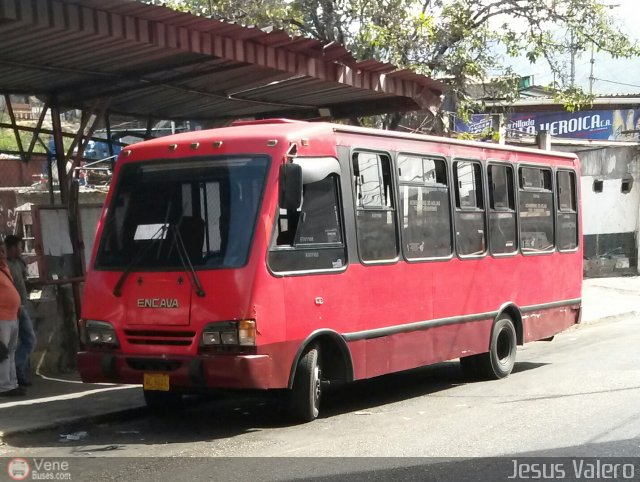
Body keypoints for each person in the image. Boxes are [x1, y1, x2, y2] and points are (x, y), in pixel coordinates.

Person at [5, 235, 37, 387]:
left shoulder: (19, 262)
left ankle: (17, 371)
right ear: (10, 248)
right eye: (18, 247)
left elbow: (23, 282)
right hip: (12, 310)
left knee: (28, 341)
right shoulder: (6, 266)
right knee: (22, 342)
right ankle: (15, 373)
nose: (20, 250)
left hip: (22, 305)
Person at [0, 239, 24, 396]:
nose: (3, 254)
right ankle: (4, 386)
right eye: (1, 251)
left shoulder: (4, 268)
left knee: (11, 351)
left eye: (3, 251)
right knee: (2, 353)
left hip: (13, 315)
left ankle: (12, 383)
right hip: (2, 317)